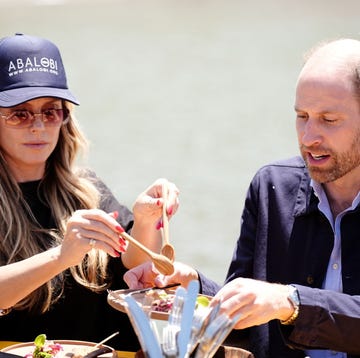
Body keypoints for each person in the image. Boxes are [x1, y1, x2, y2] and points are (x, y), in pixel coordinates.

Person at [124, 38, 360, 358]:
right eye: (302, 116)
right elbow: (247, 323)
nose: (308, 137)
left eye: (328, 120)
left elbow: (277, 301)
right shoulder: (270, 186)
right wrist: (191, 285)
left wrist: (289, 303)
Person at [0, 33, 179, 352]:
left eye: (51, 111)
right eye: (20, 113)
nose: (38, 126)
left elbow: (131, 270)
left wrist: (145, 220)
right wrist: (60, 256)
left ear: (65, 117)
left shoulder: (88, 190)